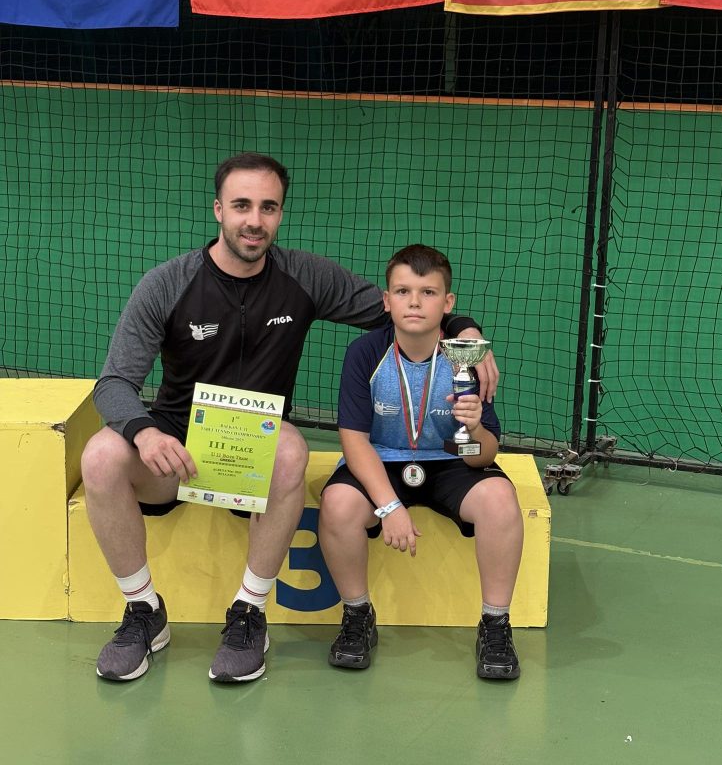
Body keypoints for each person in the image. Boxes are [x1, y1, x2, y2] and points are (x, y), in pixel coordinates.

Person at [81, 153, 498, 684]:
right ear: (218, 210)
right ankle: (143, 610)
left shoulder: (304, 276)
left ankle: (249, 613)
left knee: (290, 447)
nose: (254, 220)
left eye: (268, 207)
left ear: (280, 214)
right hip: (178, 454)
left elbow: (401, 306)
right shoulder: (167, 284)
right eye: (241, 206)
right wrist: (144, 433)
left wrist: (463, 329)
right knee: (101, 455)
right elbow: (113, 382)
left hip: (254, 454)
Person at [318, 243, 523, 680]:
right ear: (386, 300)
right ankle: (357, 615)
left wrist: (474, 430)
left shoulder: (466, 358)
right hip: (381, 461)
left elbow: (483, 455)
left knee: (501, 500)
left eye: (428, 292)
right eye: (403, 291)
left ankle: (495, 625)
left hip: (450, 460)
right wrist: (389, 506)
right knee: (337, 503)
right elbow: (354, 441)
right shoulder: (364, 353)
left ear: (448, 303)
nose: (415, 302)